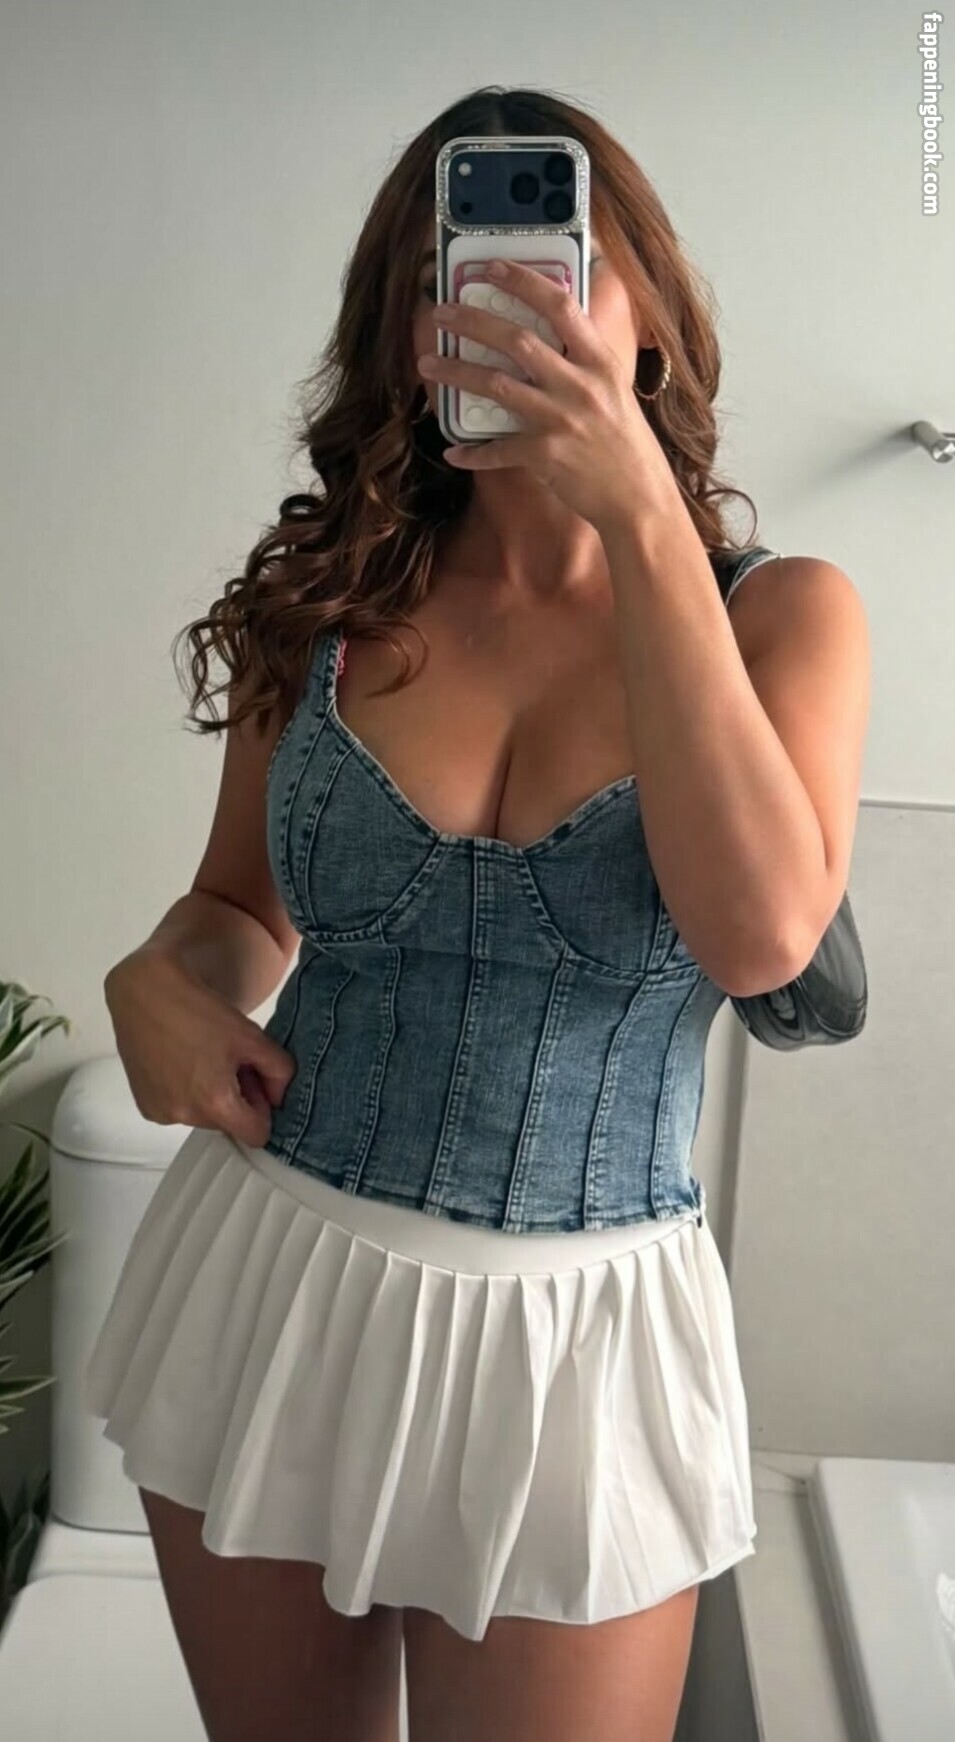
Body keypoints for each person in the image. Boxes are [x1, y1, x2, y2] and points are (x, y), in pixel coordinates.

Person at [84, 84, 870, 1742]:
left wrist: (639, 519)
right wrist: (159, 978)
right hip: (274, 1286)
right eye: (464, 268)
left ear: (646, 310)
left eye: (559, 259)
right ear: (407, 323)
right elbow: (234, 910)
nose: (513, 301)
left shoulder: (787, 620)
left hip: (582, 1354)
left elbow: (760, 936)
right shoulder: (330, 602)